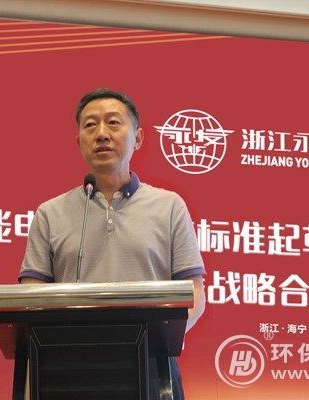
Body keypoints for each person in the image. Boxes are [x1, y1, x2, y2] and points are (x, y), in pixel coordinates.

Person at [19, 87, 206, 399]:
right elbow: (30, 297)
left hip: (151, 365)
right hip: (67, 369)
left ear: (139, 138)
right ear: (79, 141)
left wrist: (161, 338)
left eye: (114, 123)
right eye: (90, 125)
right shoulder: (50, 213)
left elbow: (194, 293)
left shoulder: (169, 206)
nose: (102, 134)